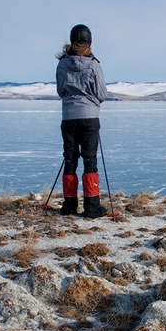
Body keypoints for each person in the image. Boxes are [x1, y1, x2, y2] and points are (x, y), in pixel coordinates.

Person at [56, 24, 108, 218]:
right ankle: (92, 207)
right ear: (89, 41)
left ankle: (69, 206)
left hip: (68, 117)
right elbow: (101, 93)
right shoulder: (93, 64)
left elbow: (61, 91)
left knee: (70, 159)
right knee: (89, 159)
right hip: (89, 118)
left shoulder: (62, 63)